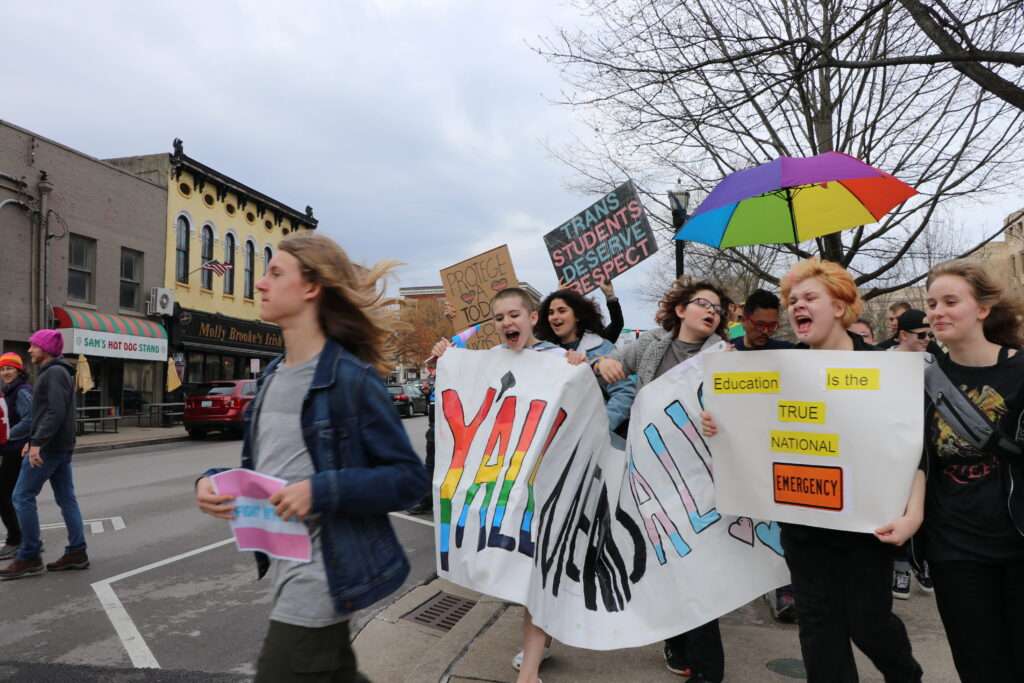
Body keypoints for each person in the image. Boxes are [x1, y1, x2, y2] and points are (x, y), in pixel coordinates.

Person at [194, 233, 428, 683]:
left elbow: (409, 479)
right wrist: (212, 481)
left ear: (310, 288)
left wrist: (321, 490)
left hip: (322, 577)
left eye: (275, 273)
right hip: (284, 569)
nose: (260, 284)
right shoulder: (271, 381)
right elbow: (272, 471)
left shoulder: (350, 379)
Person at [702, 259, 924, 683]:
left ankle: (906, 675)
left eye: (808, 298)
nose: (795, 307)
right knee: (819, 630)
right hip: (803, 524)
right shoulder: (779, 366)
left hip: (867, 526)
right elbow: (755, 430)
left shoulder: (884, 368)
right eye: (792, 300)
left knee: (869, 624)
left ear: (839, 306)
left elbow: (914, 450)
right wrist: (719, 421)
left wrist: (913, 515)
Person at [432, 286, 580, 683]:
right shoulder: (487, 361)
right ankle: (541, 643)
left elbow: (583, 407)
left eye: (514, 315)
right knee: (520, 569)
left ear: (533, 318)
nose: (506, 323)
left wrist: (582, 368)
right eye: (499, 318)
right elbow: (454, 382)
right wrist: (447, 356)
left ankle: (529, 672)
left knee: (534, 575)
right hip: (506, 484)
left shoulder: (557, 360)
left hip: (544, 485)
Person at [596, 278, 730, 683]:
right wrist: (600, 363)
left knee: (699, 569)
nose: (712, 311)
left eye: (718, 309)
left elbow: (737, 412)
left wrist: (720, 419)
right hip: (653, 473)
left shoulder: (724, 356)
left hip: (699, 476)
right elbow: (608, 365)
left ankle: (708, 670)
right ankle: (677, 643)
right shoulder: (653, 344)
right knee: (667, 563)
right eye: (703, 303)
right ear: (680, 310)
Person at [916, 259, 1024, 682]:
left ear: (982, 309)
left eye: (949, 301)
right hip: (954, 547)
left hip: (1017, 540)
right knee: (978, 667)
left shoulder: (1020, 370)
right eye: (931, 304)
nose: (937, 311)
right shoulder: (920, 376)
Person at [0, 331, 87, 580]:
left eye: (33, 346)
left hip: (50, 448)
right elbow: (46, 413)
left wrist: (37, 442)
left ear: (45, 348)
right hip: (57, 446)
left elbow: (55, 413)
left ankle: (29, 555)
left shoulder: (54, 373)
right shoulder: (55, 372)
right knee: (66, 498)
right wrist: (31, 439)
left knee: (21, 496)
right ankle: (77, 551)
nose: (29, 350)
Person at [536, 287, 635, 435]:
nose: (555, 317)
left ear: (577, 316)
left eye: (562, 311)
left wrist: (600, 428)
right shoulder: (542, 352)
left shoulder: (602, 348)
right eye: (551, 313)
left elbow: (624, 393)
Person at [887, 309, 937, 600]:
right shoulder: (881, 361)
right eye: (921, 335)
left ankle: (923, 562)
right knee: (899, 506)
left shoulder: (933, 362)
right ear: (903, 335)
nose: (927, 339)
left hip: (926, 444)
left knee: (924, 505)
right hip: (894, 444)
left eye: (930, 334)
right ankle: (902, 566)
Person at [0, 353, 32, 561]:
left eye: (9, 368)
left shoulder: (21, 391)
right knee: (12, 497)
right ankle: (27, 538)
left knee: (7, 497)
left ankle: (16, 539)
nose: (5, 373)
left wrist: (8, 434)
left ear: (19, 370)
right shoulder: (9, 390)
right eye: (2, 370)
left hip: (18, 451)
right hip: (11, 450)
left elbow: (30, 419)